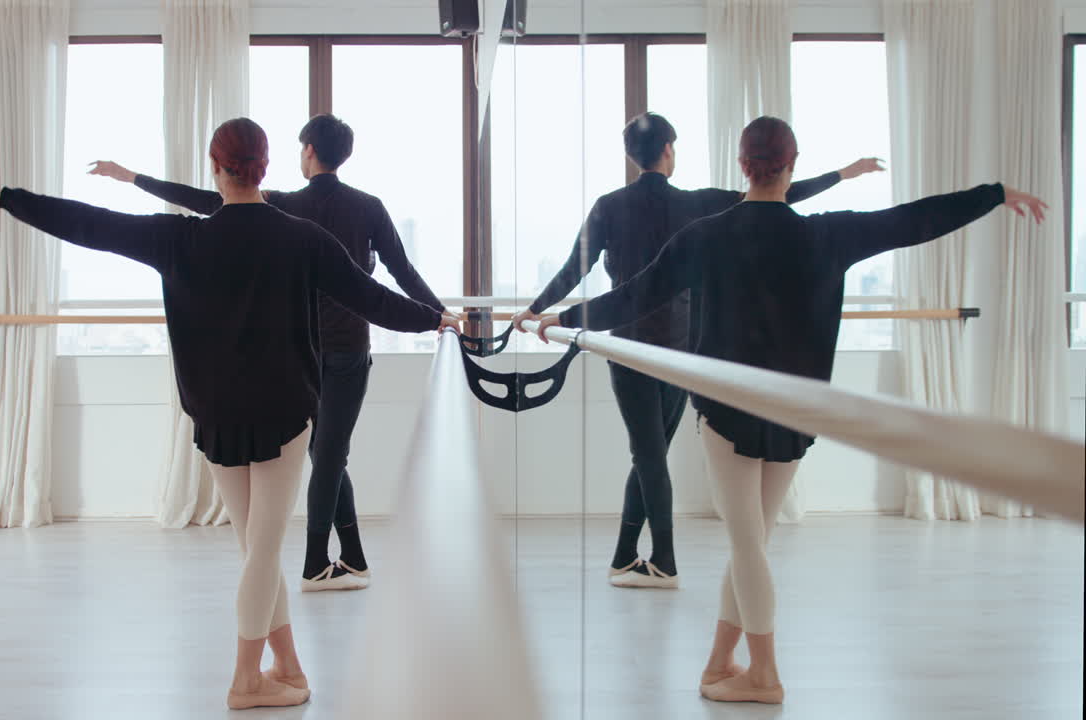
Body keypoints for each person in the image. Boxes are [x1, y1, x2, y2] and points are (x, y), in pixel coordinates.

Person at [536, 116, 1046, 704]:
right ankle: (721, 660)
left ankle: (766, 675)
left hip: (727, 413)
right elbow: (913, 220)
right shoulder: (826, 236)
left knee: (748, 545)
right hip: (797, 416)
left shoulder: (706, 236)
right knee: (752, 542)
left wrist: (564, 321)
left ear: (742, 165)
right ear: (792, 164)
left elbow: (633, 295)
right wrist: (996, 194)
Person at [0, 118, 460, 710]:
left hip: (216, 414)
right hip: (283, 412)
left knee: (256, 548)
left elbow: (91, 224)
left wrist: (7, 199)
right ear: (265, 169)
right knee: (263, 549)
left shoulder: (180, 239)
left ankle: (288, 667)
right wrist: (435, 319)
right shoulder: (302, 239)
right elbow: (372, 299)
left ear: (216, 168)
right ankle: (246, 679)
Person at [512, 112, 883, 589]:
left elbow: (572, 270)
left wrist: (535, 311)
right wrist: (843, 174)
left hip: (631, 347)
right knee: (649, 455)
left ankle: (663, 561)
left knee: (648, 456)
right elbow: (780, 194)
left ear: (632, 155)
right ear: (669, 149)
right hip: (681, 351)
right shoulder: (698, 204)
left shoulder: (609, 206)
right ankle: (625, 556)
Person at [89, 114, 442, 592]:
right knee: (330, 455)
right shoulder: (369, 207)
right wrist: (440, 314)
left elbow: (210, 200)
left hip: (302, 350)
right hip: (348, 351)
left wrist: (133, 179)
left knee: (328, 456)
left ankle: (336, 560)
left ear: (310, 151)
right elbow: (401, 274)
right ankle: (329, 561)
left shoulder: (287, 206)